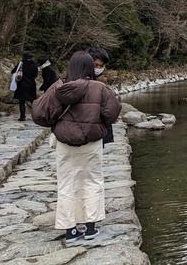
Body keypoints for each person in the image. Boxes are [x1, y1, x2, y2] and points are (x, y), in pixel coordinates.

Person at [31, 51, 121, 245]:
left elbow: (39, 113)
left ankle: (70, 230)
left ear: (70, 66)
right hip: (91, 142)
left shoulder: (57, 87)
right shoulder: (100, 88)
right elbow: (112, 113)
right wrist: (100, 124)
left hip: (64, 143)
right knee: (92, 182)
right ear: (90, 67)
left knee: (66, 184)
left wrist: (56, 123)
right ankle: (90, 228)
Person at [86, 47, 114, 145]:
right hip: (89, 134)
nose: (98, 69)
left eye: (101, 66)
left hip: (96, 133)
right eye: (96, 65)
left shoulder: (95, 81)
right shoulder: (82, 83)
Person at [11, 53, 38, 121]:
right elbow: (36, 75)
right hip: (31, 84)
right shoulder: (34, 65)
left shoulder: (21, 64)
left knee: (22, 101)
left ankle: (22, 116)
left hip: (22, 85)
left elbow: (13, 71)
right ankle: (35, 116)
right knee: (32, 101)